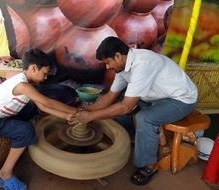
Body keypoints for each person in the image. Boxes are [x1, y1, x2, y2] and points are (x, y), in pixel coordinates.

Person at [70, 36, 198, 185]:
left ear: (118, 55)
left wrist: (90, 117)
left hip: (182, 99)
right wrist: (84, 111)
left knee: (144, 118)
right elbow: (110, 96)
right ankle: (136, 137)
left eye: (107, 62)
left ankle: (149, 164)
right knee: (117, 103)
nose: (107, 67)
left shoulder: (143, 63)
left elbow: (126, 107)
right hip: (155, 97)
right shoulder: (123, 67)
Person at [0, 48, 77, 190]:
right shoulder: (22, 85)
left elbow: (42, 106)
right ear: (33, 68)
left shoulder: (27, 82)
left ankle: (20, 141)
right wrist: (79, 112)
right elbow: (48, 103)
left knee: (32, 107)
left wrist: (67, 116)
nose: (46, 78)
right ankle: (4, 174)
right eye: (44, 74)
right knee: (26, 130)